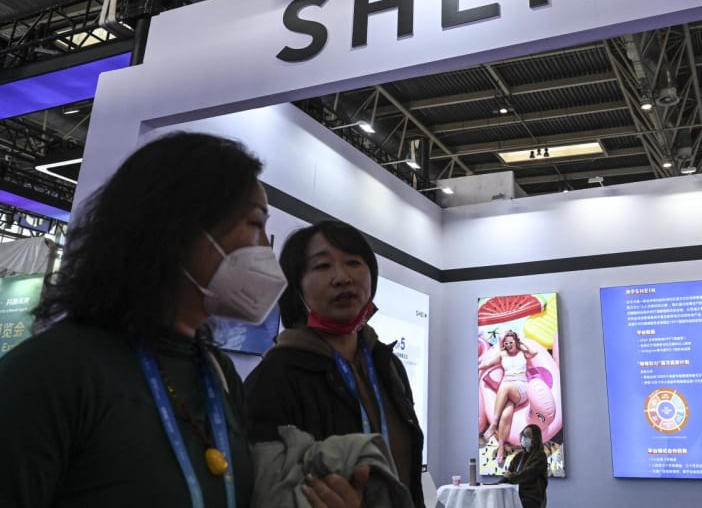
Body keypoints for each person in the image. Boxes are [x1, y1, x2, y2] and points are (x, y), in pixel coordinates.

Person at [0, 132, 364, 508]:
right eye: (255, 224)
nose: (264, 248)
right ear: (179, 224)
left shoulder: (216, 373)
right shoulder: (49, 373)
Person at [244, 219, 425, 508]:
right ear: (296, 285)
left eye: (353, 262)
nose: (342, 277)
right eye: (322, 266)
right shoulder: (275, 377)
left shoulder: (388, 366)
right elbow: (268, 490)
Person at [478, 329, 537, 465]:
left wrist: (522, 343)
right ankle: (501, 447)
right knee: (506, 415)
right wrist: (477, 367)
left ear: (516, 342)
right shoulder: (502, 354)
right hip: (508, 392)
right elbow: (488, 364)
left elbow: (534, 353)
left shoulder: (522, 353)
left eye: (511, 342)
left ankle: (493, 424)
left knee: (504, 386)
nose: (509, 345)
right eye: (507, 343)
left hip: (520, 389)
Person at [499, 424, 548, 508]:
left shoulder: (540, 456)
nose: (524, 437)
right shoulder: (518, 456)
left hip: (532, 498)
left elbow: (528, 474)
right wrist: (496, 485)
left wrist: (511, 476)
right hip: (516, 495)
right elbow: (508, 474)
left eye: (528, 435)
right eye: (523, 434)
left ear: (535, 438)